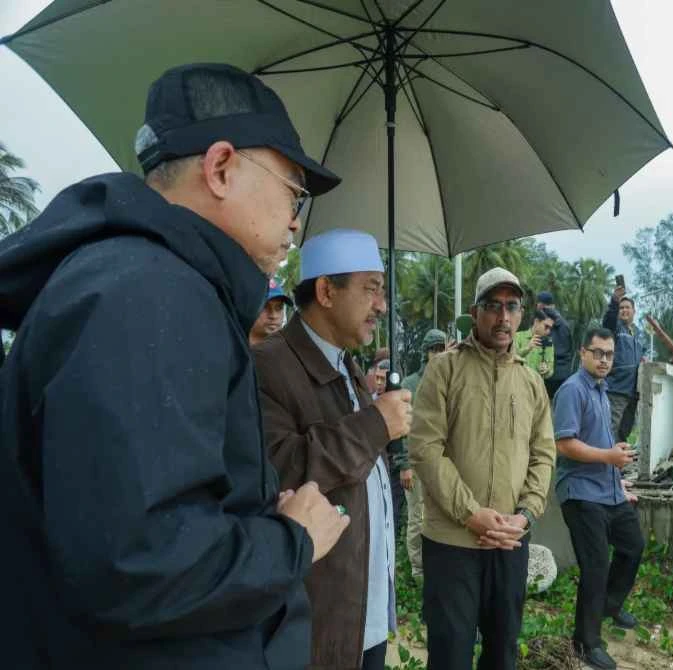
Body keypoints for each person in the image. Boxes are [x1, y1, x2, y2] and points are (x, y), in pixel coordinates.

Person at [0, 62, 350, 669]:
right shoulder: (147, 295)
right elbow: (137, 563)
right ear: (219, 168)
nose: (297, 220)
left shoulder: (152, 284)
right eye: (294, 193)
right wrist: (291, 540)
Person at [253, 228, 413, 670]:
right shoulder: (269, 365)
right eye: (370, 289)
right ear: (326, 291)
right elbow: (282, 468)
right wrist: (376, 423)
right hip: (320, 623)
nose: (380, 304)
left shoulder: (348, 364)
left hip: (366, 613)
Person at [409, 268, 556, 670]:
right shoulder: (445, 370)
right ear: (475, 313)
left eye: (511, 307)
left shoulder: (530, 381)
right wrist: (471, 514)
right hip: (453, 543)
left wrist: (525, 516)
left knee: (502, 652)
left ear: (521, 314)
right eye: (493, 306)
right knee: (450, 653)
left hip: (509, 542)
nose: (503, 317)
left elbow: (543, 454)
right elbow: (424, 448)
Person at [552, 327, 644, 670]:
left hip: (608, 490)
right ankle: (585, 642)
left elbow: (604, 445)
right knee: (595, 567)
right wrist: (609, 457)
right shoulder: (572, 391)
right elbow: (564, 444)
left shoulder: (603, 392)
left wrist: (619, 483)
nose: (605, 359)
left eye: (609, 354)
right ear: (583, 353)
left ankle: (609, 605)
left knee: (633, 546)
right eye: (598, 353)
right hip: (579, 491)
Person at [398, 328, 448, 578]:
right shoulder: (409, 384)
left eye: (441, 348)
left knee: (441, 517)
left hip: (442, 463)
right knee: (417, 517)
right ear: (425, 352)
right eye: (433, 349)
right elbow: (402, 429)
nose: (438, 354)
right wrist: (404, 464)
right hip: (416, 463)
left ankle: (438, 568)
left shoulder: (450, 379)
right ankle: (418, 572)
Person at [602, 286, 649, 441]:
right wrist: (615, 301)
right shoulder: (615, 329)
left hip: (633, 393)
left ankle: (616, 465)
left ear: (634, 311)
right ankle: (603, 463)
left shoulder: (638, 334)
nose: (624, 310)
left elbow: (643, 355)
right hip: (616, 389)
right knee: (610, 429)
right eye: (621, 308)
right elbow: (608, 320)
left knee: (625, 431)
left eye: (627, 307)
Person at [536, 290, 574, 398]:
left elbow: (542, 347)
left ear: (540, 305)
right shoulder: (565, 324)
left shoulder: (543, 323)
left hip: (549, 374)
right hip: (565, 374)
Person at [514, 309, 556, 379]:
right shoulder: (518, 337)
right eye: (546, 326)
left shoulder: (548, 342)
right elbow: (510, 359)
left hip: (536, 385)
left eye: (550, 328)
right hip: (518, 382)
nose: (548, 331)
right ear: (536, 322)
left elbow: (551, 370)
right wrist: (527, 348)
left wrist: (546, 370)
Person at [249, 278, 293, 345]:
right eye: (264, 307)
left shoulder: (291, 348)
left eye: (279, 307)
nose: (274, 315)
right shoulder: (231, 348)